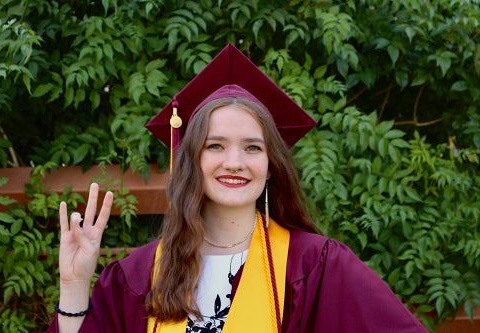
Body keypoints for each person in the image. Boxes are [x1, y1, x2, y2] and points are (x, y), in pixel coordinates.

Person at [47, 44, 429, 332]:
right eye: (215, 146)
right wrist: (75, 286)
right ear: (191, 160)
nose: (234, 162)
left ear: (271, 166)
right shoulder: (138, 277)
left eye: (252, 147)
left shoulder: (316, 266)